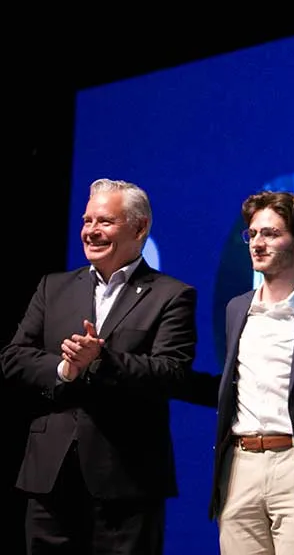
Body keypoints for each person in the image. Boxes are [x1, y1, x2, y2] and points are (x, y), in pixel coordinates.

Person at [0, 178, 197, 555]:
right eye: (87, 220)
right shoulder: (52, 287)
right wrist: (65, 370)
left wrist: (101, 361)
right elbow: (13, 357)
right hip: (50, 476)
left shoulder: (171, 295)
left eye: (104, 221)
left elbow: (172, 372)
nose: (91, 231)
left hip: (127, 478)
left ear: (139, 228)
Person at [209, 191, 294, 555]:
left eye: (271, 234)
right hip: (240, 463)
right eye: (253, 234)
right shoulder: (236, 309)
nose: (258, 244)